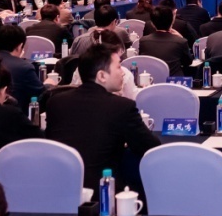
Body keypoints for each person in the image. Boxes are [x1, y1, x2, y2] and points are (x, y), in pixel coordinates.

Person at [46, 43, 160, 189]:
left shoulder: (56, 102)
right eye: (118, 67)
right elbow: (151, 148)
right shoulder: (122, 107)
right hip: (103, 190)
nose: (123, 73)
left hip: (59, 186)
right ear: (101, 76)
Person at [0, 25, 49, 112]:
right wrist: (49, 84)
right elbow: (41, 95)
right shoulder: (24, 67)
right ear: (20, 46)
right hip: (14, 115)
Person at [137, 5, 192, 76]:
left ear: (152, 24)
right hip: (174, 80)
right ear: (172, 21)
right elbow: (188, 62)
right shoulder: (181, 41)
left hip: (152, 79)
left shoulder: (143, 41)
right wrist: (181, 38)